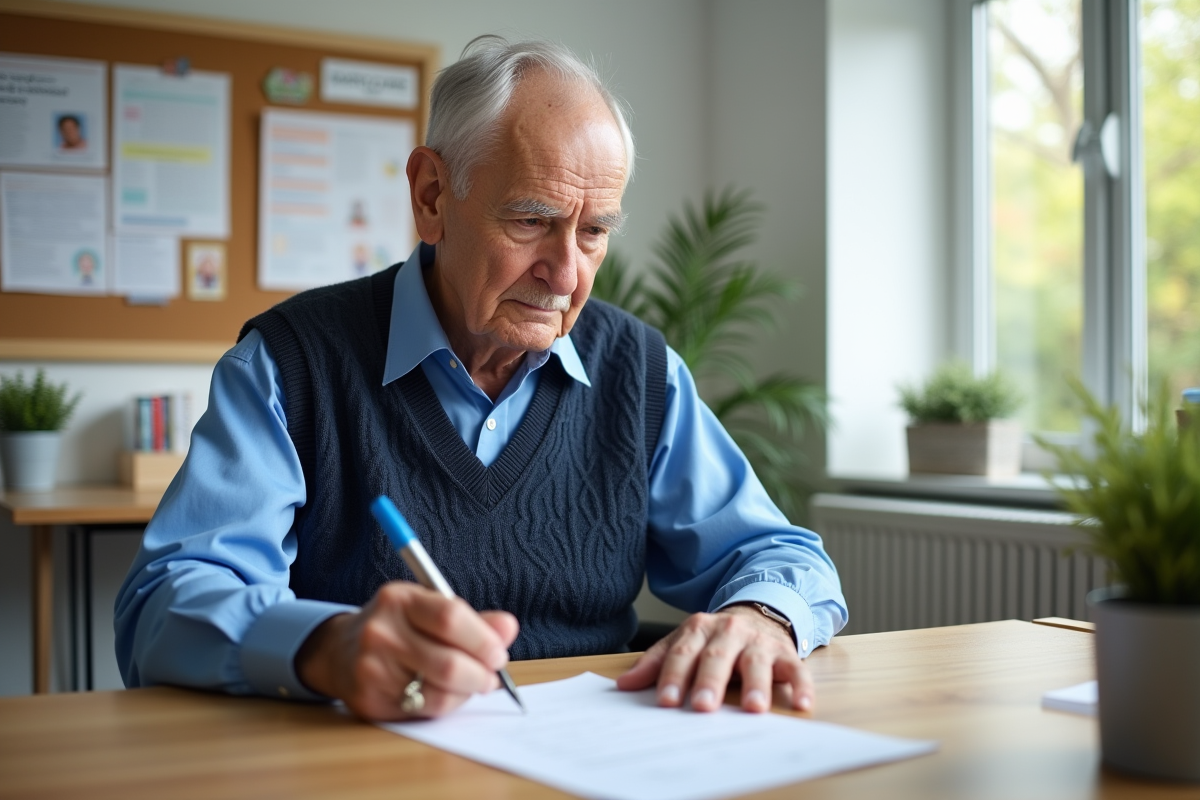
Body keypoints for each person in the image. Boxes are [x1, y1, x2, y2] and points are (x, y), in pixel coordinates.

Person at [115, 36, 846, 722]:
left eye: (594, 233)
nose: (567, 274)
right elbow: (163, 606)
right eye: (532, 220)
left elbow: (778, 556)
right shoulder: (291, 365)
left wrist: (762, 616)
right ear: (432, 194)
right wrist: (324, 647)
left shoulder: (640, 370)